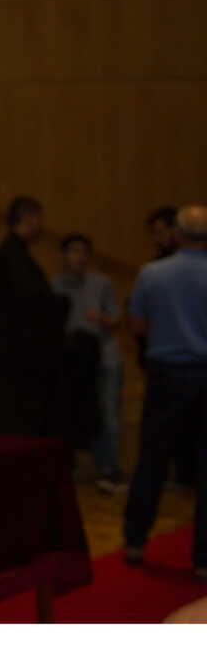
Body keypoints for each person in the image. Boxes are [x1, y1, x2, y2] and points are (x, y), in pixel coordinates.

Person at [123, 204, 207, 582]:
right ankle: (204, 558)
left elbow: (137, 327)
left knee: (152, 458)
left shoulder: (152, 274)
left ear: (177, 233)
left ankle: (135, 540)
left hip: (166, 374)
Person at [0, 196, 70, 436]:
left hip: (20, 351)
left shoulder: (15, 253)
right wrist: (61, 304)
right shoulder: (12, 255)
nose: (41, 225)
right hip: (20, 354)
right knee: (20, 417)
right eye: (39, 218)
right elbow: (31, 301)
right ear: (28, 218)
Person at [51, 233, 125, 491]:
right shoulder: (54, 286)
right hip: (72, 360)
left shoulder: (102, 282)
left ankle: (108, 468)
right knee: (71, 411)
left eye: (84, 252)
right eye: (74, 251)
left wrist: (102, 318)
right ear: (63, 255)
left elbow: (117, 319)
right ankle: (72, 464)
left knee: (108, 412)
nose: (80, 257)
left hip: (104, 356)